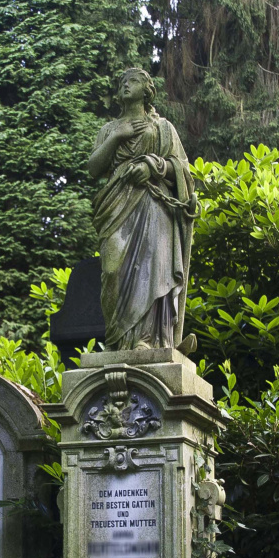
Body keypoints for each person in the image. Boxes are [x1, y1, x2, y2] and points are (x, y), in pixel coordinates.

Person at [88, 68, 198, 351]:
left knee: (152, 268)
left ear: (147, 90)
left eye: (133, 81)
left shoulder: (163, 128)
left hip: (154, 205)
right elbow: (94, 168)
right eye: (122, 82)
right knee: (112, 270)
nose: (126, 85)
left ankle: (147, 339)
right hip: (116, 204)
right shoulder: (109, 129)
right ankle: (116, 341)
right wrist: (116, 137)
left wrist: (154, 166)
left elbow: (183, 169)